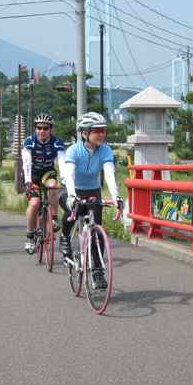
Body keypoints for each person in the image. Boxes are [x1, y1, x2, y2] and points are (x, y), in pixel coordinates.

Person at [59, 112, 124, 289]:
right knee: (74, 210)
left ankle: (97, 270)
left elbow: (109, 174)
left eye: (103, 130)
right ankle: (64, 236)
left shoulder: (105, 150)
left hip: (92, 190)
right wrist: (72, 196)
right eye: (97, 131)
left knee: (97, 231)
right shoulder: (74, 150)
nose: (101, 134)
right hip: (71, 188)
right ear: (84, 133)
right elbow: (69, 175)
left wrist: (116, 197)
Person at [21, 113, 66, 255]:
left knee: (52, 186)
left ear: (51, 129)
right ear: (35, 128)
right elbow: (26, 162)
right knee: (34, 204)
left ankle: (54, 218)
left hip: (48, 173)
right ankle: (30, 236)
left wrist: (65, 179)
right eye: (39, 128)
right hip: (33, 175)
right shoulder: (30, 142)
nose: (42, 131)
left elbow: (62, 162)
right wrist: (28, 180)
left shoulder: (56, 142)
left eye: (45, 128)